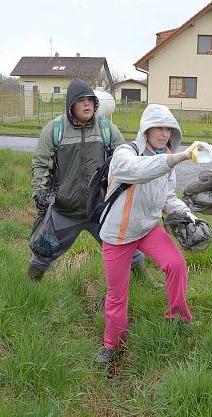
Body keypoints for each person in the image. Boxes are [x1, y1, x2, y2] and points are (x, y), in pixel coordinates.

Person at [95, 104, 207, 364]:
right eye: (158, 127)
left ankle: (178, 317)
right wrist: (179, 157)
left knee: (176, 264)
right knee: (117, 293)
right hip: (118, 235)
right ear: (146, 128)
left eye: (168, 128)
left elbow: (168, 198)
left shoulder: (167, 156)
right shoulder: (125, 152)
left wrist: (190, 217)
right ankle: (112, 345)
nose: (164, 133)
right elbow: (139, 171)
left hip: (147, 228)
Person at [28, 78, 144, 281]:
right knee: (42, 251)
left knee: (129, 250)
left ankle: (147, 284)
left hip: (100, 210)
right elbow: (41, 164)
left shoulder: (106, 128)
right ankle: (28, 288)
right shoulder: (54, 130)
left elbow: (125, 158)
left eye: (90, 100)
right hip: (65, 210)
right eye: (81, 100)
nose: (87, 104)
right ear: (71, 103)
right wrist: (40, 194)